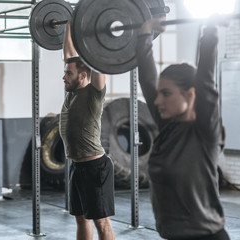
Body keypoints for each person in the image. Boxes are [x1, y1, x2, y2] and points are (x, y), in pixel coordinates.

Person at [136, 18, 230, 240]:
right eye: (159, 93)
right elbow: (147, 80)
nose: (157, 101)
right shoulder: (168, 127)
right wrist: (144, 35)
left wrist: (210, 30)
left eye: (166, 93)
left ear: (190, 94)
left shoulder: (206, 133)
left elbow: (206, 81)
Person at [59, 22, 115, 240]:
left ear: (82, 76)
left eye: (69, 74)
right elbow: (68, 53)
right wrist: (70, 24)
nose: (64, 77)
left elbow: (98, 65)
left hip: (95, 168)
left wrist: (94, 34)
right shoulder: (70, 93)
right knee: (81, 218)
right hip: (77, 166)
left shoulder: (94, 94)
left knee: (101, 221)